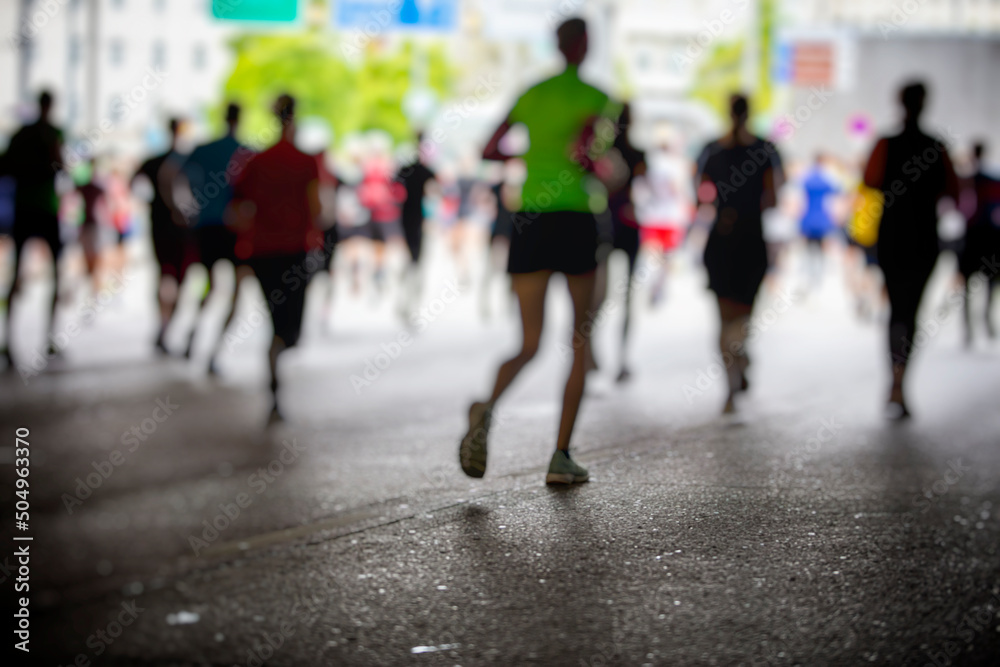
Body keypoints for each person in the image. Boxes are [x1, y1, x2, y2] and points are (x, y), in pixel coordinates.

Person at [459, 17, 618, 485]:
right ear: (585, 46)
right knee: (579, 342)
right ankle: (561, 456)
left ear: (555, 44)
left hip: (529, 217)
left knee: (528, 342)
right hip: (575, 217)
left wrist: (526, 160)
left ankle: (485, 408)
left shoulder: (531, 93)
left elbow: (489, 148)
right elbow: (590, 156)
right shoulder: (599, 97)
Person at [863, 81, 959, 419]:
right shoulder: (937, 147)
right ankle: (901, 381)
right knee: (911, 313)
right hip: (922, 239)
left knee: (895, 311)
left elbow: (870, 179)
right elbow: (953, 192)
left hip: (893, 236)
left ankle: (895, 379)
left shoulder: (886, 145)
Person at [230, 94, 322, 424]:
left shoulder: (255, 161)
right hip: (296, 251)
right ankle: (275, 381)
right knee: (291, 328)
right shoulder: (306, 161)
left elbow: (238, 209)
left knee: (275, 322)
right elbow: (317, 208)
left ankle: (273, 389)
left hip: (263, 253)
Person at [695, 93, 784, 414]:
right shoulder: (765, 150)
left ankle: (731, 383)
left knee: (723, 316)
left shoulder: (711, 151)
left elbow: (701, 196)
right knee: (744, 313)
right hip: (751, 238)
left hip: (721, 237)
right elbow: (774, 197)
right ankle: (740, 359)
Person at [177, 103, 254, 372]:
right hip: (235, 231)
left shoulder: (204, 149)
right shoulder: (246, 152)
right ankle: (214, 353)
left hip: (207, 226)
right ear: (240, 118)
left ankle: (193, 334)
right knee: (235, 293)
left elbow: (175, 174)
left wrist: (185, 207)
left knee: (209, 288)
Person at [1, 91, 66, 369]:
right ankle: (48, 338)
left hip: (25, 209)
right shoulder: (52, 133)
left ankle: (8, 341)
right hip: (45, 209)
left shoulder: (21, 135)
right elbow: (59, 166)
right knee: (55, 274)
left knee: (17, 274)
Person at [132, 118, 192, 355]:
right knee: (178, 278)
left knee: (164, 276)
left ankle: (163, 325)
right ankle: (165, 326)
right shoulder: (183, 160)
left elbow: (133, 182)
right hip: (177, 229)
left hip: (160, 225)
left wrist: (148, 201)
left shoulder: (156, 160)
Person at [605, 103, 646, 381]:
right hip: (628, 225)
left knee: (595, 298)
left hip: (605, 225)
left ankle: (591, 356)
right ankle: (621, 358)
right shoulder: (638, 155)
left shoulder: (603, 153)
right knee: (628, 297)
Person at [958, 142, 1000, 345]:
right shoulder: (992, 179)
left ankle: (968, 326)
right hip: (989, 236)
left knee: (966, 283)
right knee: (990, 282)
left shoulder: (967, 180)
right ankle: (985, 319)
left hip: (973, 235)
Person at [395, 134, 437, 319]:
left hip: (411, 219)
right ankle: (408, 303)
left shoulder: (412, 170)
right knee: (415, 262)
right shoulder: (423, 171)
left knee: (413, 262)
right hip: (414, 219)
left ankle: (409, 304)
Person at [799, 154, 839, 289]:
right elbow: (837, 190)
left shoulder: (807, 178)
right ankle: (818, 277)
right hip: (821, 219)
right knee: (821, 249)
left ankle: (809, 276)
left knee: (809, 250)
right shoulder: (825, 179)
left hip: (808, 219)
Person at [74, 158, 109, 290]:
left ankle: (93, 282)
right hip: (88, 224)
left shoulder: (93, 188)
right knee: (89, 252)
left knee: (93, 252)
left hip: (91, 224)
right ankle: (91, 280)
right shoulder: (91, 187)